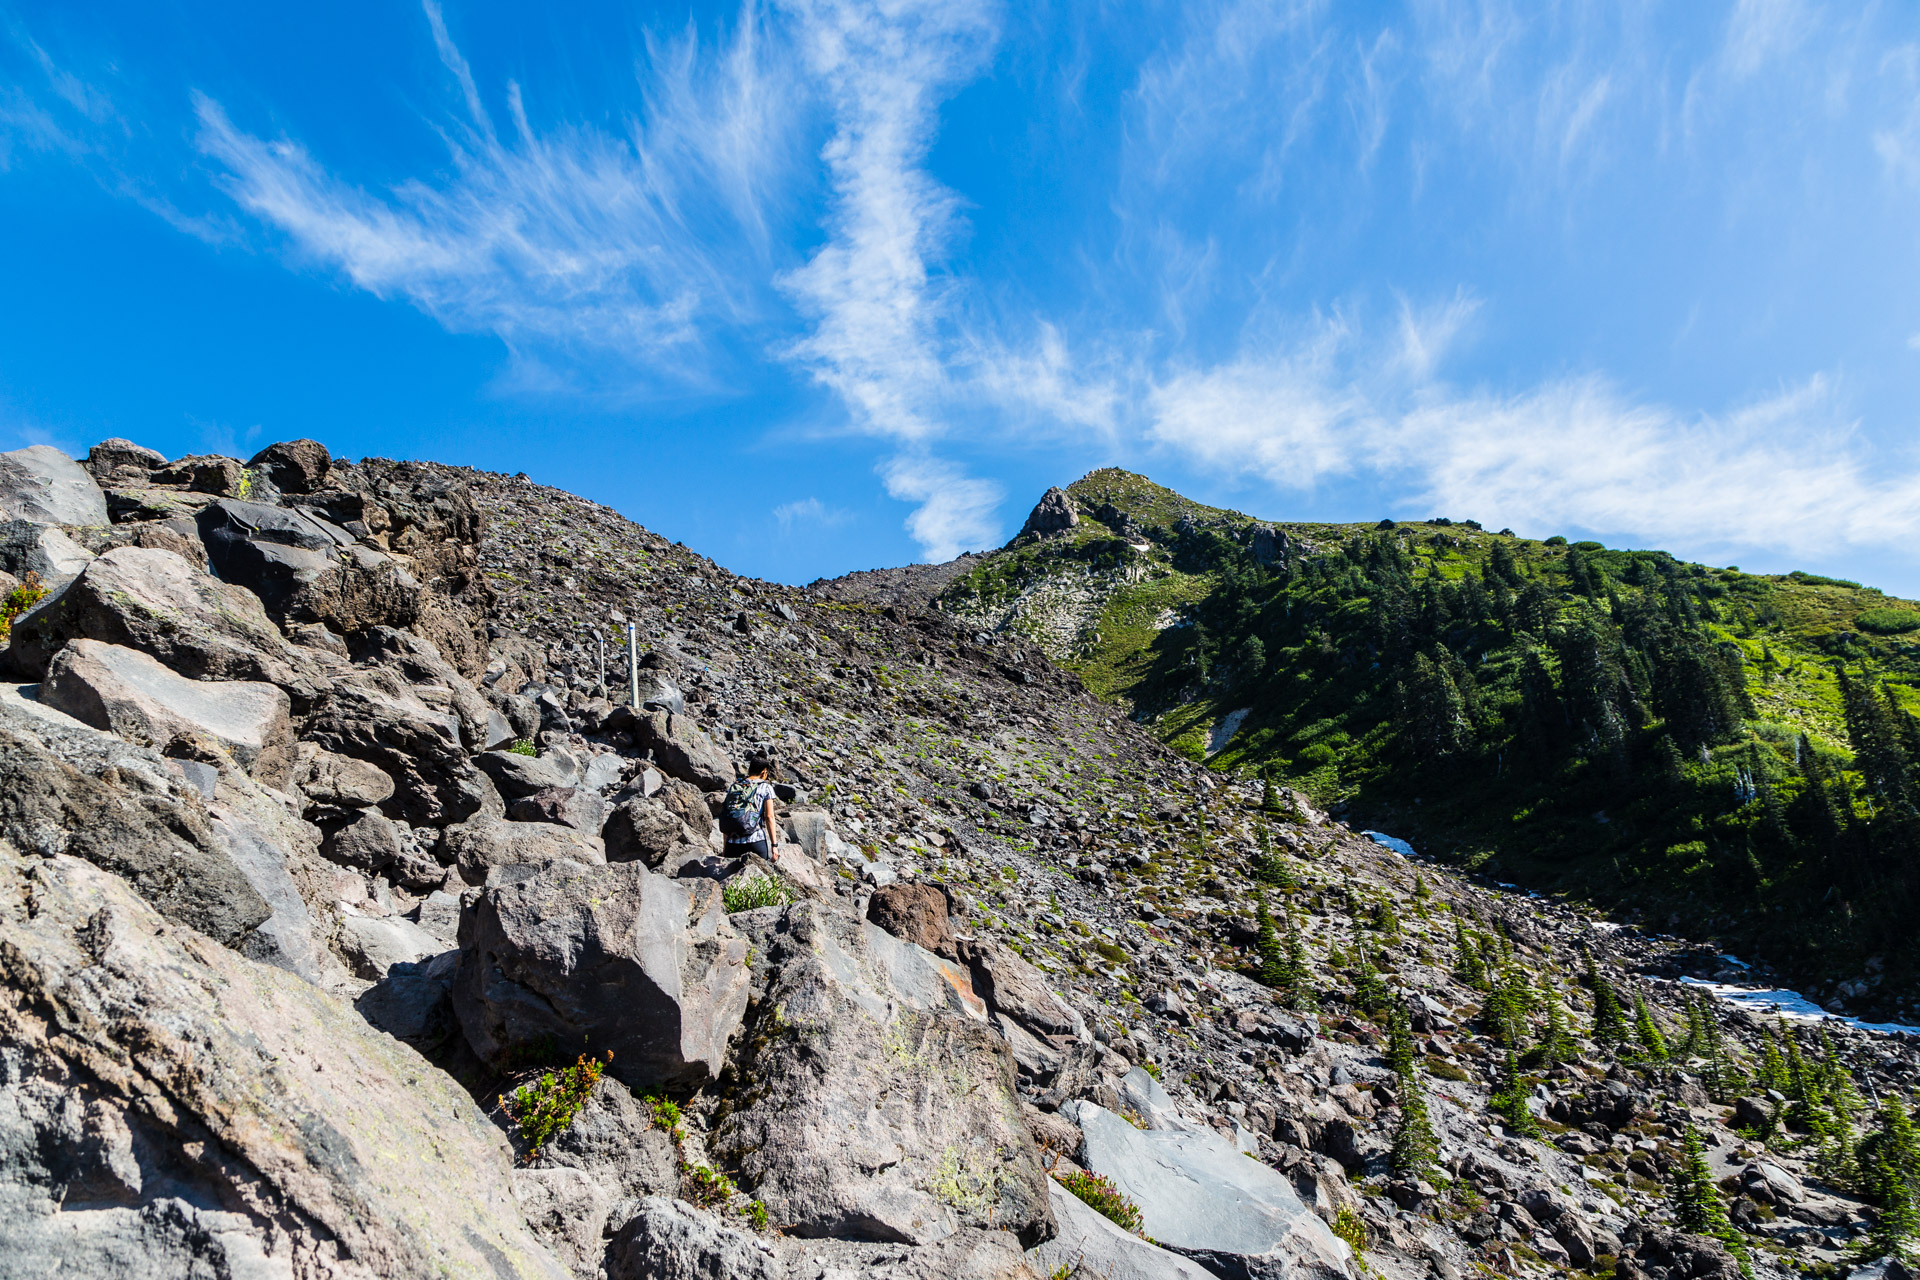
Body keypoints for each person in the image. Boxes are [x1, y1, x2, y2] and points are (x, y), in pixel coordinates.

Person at [719, 754, 778, 860]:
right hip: (755, 841)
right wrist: (774, 846)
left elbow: (728, 814)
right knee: (760, 875)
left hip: (732, 844)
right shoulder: (765, 787)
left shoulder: (734, 786)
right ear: (764, 772)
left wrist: (725, 847)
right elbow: (769, 817)